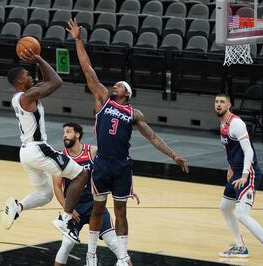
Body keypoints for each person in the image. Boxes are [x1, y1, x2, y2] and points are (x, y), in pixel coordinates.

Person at [64, 19, 189, 266]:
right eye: (115, 84)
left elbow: (153, 137)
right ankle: (91, 254)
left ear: (127, 93)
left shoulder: (134, 113)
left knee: (121, 211)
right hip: (101, 163)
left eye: (119, 85)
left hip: (121, 165)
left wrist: (173, 155)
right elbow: (87, 68)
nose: (115, 85)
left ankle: (122, 256)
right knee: (98, 209)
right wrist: (78, 40)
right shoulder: (103, 100)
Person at [1, 48, 89, 243]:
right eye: (27, 75)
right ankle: (65, 219)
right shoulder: (27, 96)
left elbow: (47, 82)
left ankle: (18, 207)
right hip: (37, 148)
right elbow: (57, 81)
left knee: (44, 194)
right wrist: (39, 58)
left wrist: (38, 62)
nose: (31, 76)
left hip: (25, 153)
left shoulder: (21, 96)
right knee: (82, 174)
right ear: (19, 83)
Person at [53, 122, 140, 266]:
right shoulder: (61, 158)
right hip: (75, 209)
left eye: (68, 132)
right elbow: (57, 187)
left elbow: (110, 170)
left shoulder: (92, 151)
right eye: (63, 133)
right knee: (66, 245)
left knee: (114, 244)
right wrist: (67, 209)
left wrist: (125, 188)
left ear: (77, 134)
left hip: (95, 205)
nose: (65, 135)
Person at [215, 93, 263, 258]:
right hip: (236, 171)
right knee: (225, 208)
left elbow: (248, 150)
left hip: (248, 172)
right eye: (216, 101)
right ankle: (240, 246)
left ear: (229, 105)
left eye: (222, 102)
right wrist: (230, 168)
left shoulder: (236, 123)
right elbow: (229, 149)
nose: (218, 104)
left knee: (241, 214)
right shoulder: (222, 125)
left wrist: (244, 176)